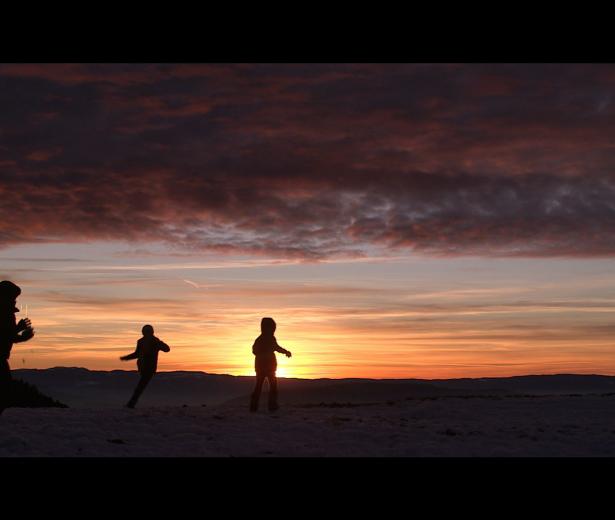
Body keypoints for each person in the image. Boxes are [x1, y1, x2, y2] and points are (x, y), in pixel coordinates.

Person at [0, 281, 35, 413]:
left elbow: (7, 337)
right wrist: (19, 329)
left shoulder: (8, 313)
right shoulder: (5, 313)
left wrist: (22, 336)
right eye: (13, 298)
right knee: (4, 393)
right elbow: (4, 335)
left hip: (2, 359)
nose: (15, 301)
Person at [120, 324, 170, 408]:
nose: (145, 333)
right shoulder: (141, 341)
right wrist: (126, 358)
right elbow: (137, 354)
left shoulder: (155, 341)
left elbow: (167, 349)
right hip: (142, 367)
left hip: (149, 368)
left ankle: (131, 404)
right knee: (141, 386)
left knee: (140, 386)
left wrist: (159, 343)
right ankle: (131, 404)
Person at [250, 317, 292, 412]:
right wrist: (285, 352)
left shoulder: (264, 339)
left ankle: (259, 407)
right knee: (265, 387)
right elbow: (255, 350)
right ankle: (264, 407)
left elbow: (276, 347)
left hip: (266, 367)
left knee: (265, 387)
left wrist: (285, 352)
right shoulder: (262, 339)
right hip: (266, 367)